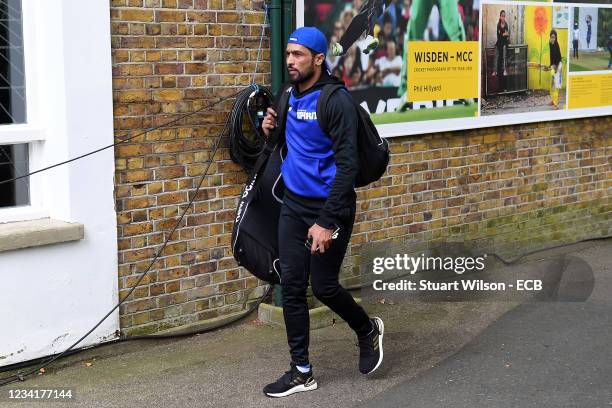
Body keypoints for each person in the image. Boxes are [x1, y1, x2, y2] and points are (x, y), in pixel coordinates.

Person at [260, 26, 385, 398]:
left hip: (331, 207)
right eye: (288, 55)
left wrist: (326, 222)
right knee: (293, 288)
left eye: (298, 55)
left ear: (318, 58)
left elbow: (347, 167)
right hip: (294, 205)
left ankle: (368, 330)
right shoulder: (287, 95)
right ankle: (301, 371)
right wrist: (268, 129)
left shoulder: (336, 101)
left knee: (325, 287)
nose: (290, 62)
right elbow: (286, 144)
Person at [330, 0, 395, 57]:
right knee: (358, 19)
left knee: (371, 12)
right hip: (371, 9)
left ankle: (370, 37)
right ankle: (343, 47)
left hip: (379, 5)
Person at [492, 10, 509, 77]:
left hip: (504, 43)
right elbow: (500, 35)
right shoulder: (498, 24)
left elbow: (507, 35)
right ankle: (495, 70)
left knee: (504, 55)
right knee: (496, 54)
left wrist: (504, 34)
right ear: (500, 16)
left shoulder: (506, 24)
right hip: (499, 42)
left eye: (504, 16)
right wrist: (504, 34)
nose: (503, 17)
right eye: (502, 16)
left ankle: (505, 70)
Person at [549, 29, 563, 110]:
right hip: (554, 65)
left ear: (556, 37)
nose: (552, 39)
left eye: (554, 37)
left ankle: (556, 105)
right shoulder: (550, 43)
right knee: (551, 85)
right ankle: (553, 100)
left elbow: (558, 58)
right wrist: (551, 65)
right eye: (551, 37)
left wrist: (556, 67)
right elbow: (551, 56)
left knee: (556, 85)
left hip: (558, 65)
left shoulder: (556, 45)